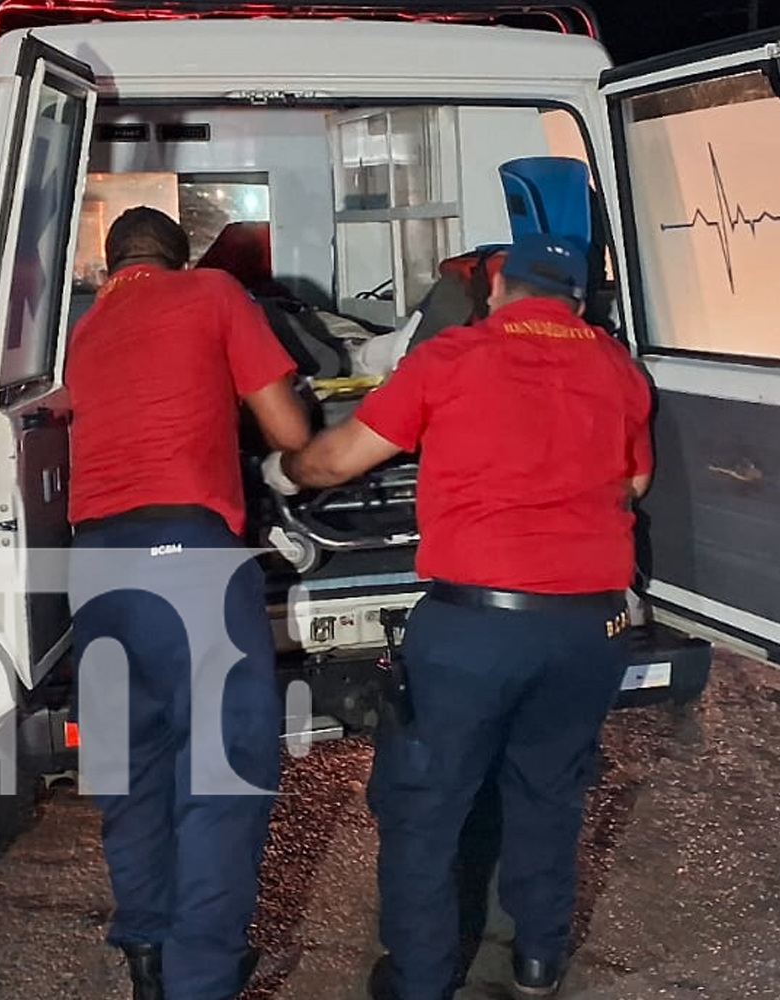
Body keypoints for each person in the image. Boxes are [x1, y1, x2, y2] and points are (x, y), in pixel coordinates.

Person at [261, 233, 653, 1000]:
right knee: (549, 790)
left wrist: (286, 469)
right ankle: (538, 961)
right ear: (578, 298)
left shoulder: (450, 359)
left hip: (476, 627)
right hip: (590, 628)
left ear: (498, 287)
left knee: (426, 807)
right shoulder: (618, 368)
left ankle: (421, 980)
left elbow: (340, 462)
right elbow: (636, 482)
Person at [65, 206, 312, 1000]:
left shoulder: (86, 329)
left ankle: (147, 945)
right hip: (188, 558)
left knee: (133, 766)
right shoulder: (213, 293)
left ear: (112, 270)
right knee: (223, 770)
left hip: (95, 567)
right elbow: (287, 429)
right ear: (181, 258)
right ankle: (200, 979)